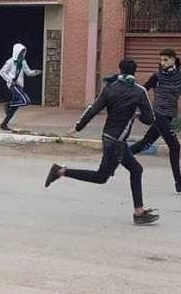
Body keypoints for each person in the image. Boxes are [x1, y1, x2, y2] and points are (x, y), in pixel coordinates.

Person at [44, 58, 160, 226]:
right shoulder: (139, 92)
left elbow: (92, 109)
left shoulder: (110, 89)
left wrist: (77, 127)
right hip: (117, 142)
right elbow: (149, 119)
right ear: (135, 72)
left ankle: (139, 212)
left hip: (108, 137)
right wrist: (137, 114)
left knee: (134, 170)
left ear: (120, 70)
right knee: (104, 176)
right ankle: (60, 171)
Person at [130, 48, 181, 193]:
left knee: (145, 143)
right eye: (161, 60)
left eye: (165, 60)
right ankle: (179, 182)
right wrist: (140, 109)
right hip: (158, 114)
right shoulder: (157, 76)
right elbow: (142, 91)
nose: (162, 63)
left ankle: (117, 156)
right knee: (175, 146)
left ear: (173, 59)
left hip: (169, 115)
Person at [0, 43, 42, 131]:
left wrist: (36, 72)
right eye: (21, 52)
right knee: (26, 101)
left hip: (19, 85)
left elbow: (28, 72)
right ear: (16, 52)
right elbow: (2, 72)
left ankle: (4, 124)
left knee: (14, 107)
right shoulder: (10, 62)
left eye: (23, 52)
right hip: (13, 85)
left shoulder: (23, 62)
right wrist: (10, 80)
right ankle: (8, 104)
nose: (22, 54)